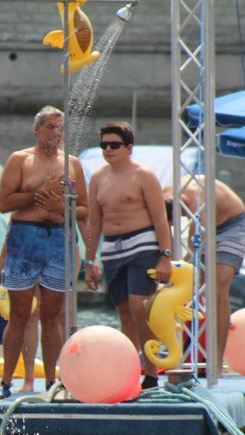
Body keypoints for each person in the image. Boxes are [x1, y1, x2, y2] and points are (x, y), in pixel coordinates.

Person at [0, 106, 87, 399]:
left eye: (60, 129)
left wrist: (61, 208)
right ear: (37, 129)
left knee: (52, 315)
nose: (55, 135)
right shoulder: (21, 160)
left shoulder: (71, 164)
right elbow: (4, 203)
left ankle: (51, 382)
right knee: (19, 314)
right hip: (24, 237)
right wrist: (38, 193)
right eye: (50, 128)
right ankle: (6, 381)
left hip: (58, 239)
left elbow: (84, 209)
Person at [84, 121, 174, 389]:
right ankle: (131, 368)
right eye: (104, 145)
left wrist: (165, 256)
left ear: (129, 147)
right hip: (112, 248)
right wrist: (90, 261)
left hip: (142, 244)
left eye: (114, 145)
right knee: (123, 310)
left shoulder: (143, 175)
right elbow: (93, 222)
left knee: (139, 307)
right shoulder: (98, 177)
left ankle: (152, 370)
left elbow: (160, 219)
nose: (108, 149)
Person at [162, 176, 245, 374]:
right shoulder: (165, 193)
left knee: (218, 288)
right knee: (181, 289)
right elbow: (165, 233)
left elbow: (194, 242)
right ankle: (181, 354)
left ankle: (216, 362)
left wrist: (180, 265)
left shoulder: (197, 200)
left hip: (231, 227)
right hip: (205, 228)